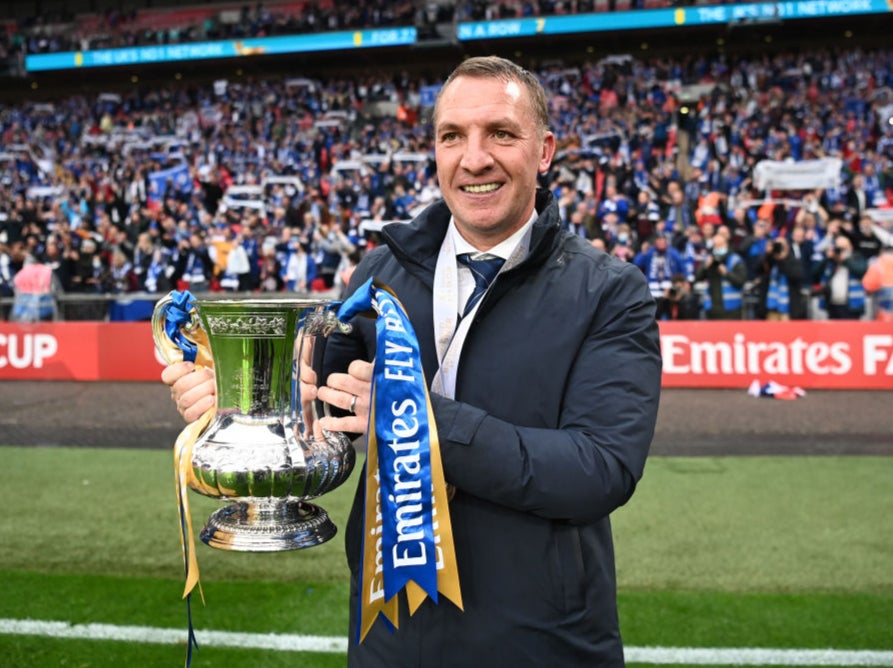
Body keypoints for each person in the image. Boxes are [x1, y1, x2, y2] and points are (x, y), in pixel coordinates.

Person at [162, 56, 662, 668]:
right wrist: (247, 407)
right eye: (453, 136)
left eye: (501, 134)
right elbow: (319, 413)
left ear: (545, 151)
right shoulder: (380, 271)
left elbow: (599, 470)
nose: (474, 158)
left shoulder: (609, 291)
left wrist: (417, 420)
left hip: (541, 640)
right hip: (389, 635)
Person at [695, 232, 748, 319]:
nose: (717, 248)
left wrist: (726, 273)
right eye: (715, 245)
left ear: (726, 244)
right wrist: (705, 267)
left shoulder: (735, 260)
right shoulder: (709, 260)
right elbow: (698, 277)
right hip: (712, 308)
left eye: (720, 245)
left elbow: (741, 281)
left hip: (732, 309)